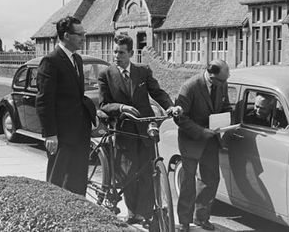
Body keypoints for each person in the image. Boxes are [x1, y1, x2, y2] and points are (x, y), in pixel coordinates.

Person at [97, 34, 182, 226]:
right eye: (115, 52)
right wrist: (121, 108)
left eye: (121, 52)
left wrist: (169, 106)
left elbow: (157, 92)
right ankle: (134, 213)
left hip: (144, 129)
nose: (117, 56)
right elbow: (104, 105)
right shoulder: (106, 75)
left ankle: (147, 214)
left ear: (131, 53)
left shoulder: (143, 72)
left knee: (147, 172)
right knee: (129, 175)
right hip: (124, 131)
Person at [36, 16, 96, 196]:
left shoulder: (76, 59)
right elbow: (44, 100)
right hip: (61, 136)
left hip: (79, 133)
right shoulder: (50, 61)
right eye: (80, 34)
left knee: (77, 182)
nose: (83, 38)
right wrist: (50, 134)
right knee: (57, 184)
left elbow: (76, 96)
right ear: (67, 36)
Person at [175, 59, 232, 232]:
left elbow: (225, 106)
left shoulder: (221, 84)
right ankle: (184, 222)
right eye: (222, 80)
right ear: (211, 75)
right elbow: (179, 118)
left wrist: (227, 121)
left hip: (211, 140)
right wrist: (200, 132)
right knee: (188, 182)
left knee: (210, 179)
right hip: (191, 140)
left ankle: (201, 218)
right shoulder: (190, 87)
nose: (225, 83)